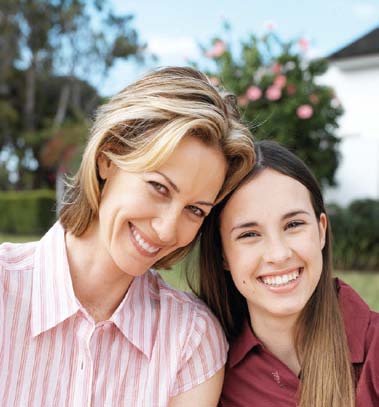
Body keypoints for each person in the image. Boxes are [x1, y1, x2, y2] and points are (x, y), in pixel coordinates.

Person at [0, 67, 255, 406]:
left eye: (195, 210)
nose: (167, 229)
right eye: (159, 188)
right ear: (107, 157)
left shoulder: (189, 339)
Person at [196, 140, 379, 407]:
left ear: (321, 231)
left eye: (293, 224)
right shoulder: (205, 369)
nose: (278, 254)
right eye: (249, 234)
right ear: (222, 253)